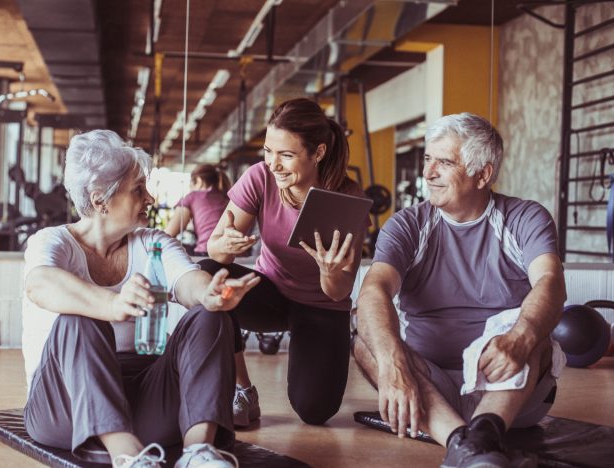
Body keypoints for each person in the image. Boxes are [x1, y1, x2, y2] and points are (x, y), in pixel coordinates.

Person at [21, 130, 260, 468]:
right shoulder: (51, 241)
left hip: (144, 400)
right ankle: (127, 456)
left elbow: (187, 280)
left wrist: (209, 292)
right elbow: (40, 284)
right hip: (64, 407)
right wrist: (110, 305)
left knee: (209, 312)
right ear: (100, 198)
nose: (149, 198)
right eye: (138, 189)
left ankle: (197, 453)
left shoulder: (152, 242)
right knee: (77, 317)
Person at [352, 113, 567, 468]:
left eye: (444, 162)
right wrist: (391, 362)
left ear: (483, 174)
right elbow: (374, 289)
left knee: (530, 328)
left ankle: (485, 429)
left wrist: (522, 336)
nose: (428, 173)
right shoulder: (408, 224)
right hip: (430, 389)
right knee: (366, 342)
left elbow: (550, 284)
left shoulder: (525, 218)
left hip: (508, 386)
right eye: (428, 159)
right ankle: (463, 444)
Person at [203, 97, 368, 428]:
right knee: (208, 276)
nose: (273, 164)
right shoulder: (259, 178)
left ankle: (315, 352)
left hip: (323, 307)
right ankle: (243, 391)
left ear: (318, 153)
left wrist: (330, 271)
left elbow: (338, 292)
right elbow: (215, 253)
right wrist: (227, 244)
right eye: (268, 150)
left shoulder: (347, 197)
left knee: (315, 411)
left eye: (286, 155)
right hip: (271, 295)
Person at [164, 164, 231, 256]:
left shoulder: (193, 197)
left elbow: (168, 234)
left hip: (208, 254)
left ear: (199, 181)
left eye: (190, 184)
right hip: (237, 255)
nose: (190, 188)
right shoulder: (228, 198)